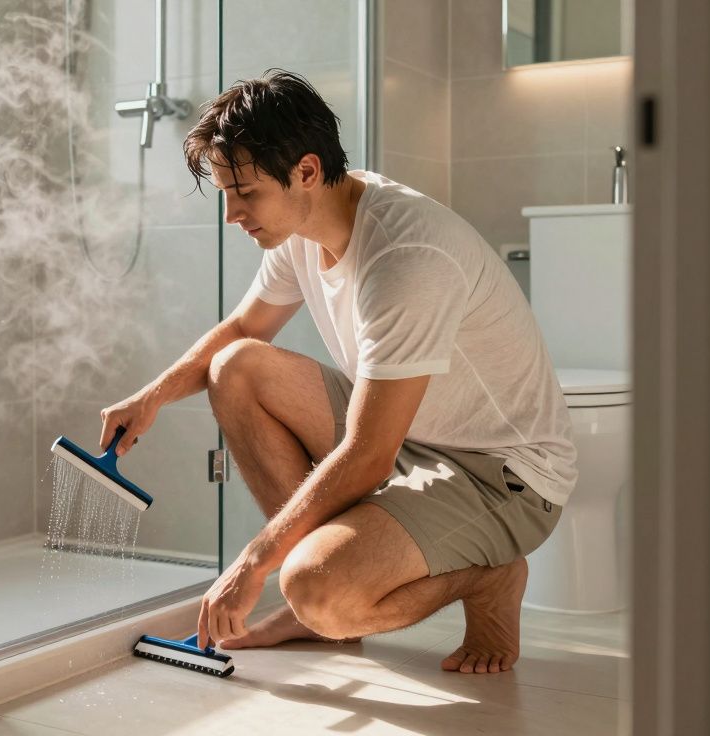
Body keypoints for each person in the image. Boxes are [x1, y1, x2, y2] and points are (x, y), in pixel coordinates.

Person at [99, 69, 576, 675]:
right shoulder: (303, 225)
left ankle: (486, 579)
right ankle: (333, 576)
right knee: (236, 368)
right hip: (409, 437)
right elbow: (245, 332)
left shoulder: (406, 258)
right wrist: (153, 396)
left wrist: (255, 563)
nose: (232, 215)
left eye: (245, 193)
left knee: (318, 593)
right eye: (225, 193)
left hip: (502, 474)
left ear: (304, 171)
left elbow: (369, 455)